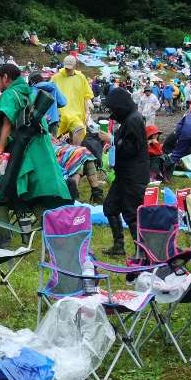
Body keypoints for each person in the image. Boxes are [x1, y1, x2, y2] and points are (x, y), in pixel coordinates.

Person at [0, 63, 70, 211]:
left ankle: (7, 225)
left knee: (3, 193)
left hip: (21, 149)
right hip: (39, 147)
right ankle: (47, 223)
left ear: (5, 77)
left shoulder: (9, 94)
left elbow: (6, 124)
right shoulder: (28, 92)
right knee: (39, 193)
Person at [98, 88, 148, 257]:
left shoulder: (134, 120)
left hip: (133, 176)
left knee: (132, 214)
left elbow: (131, 148)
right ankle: (118, 246)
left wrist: (112, 140)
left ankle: (142, 252)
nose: (113, 113)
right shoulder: (130, 118)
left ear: (120, 105)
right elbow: (126, 143)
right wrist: (113, 144)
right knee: (110, 207)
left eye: (113, 108)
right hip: (124, 175)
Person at [50, 55, 93, 144]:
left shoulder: (81, 77)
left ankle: (75, 151)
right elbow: (49, 94)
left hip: (76, 114)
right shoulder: (56, 77)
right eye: (66, 67)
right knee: (54, 139)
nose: (67, 70)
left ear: (75, 66)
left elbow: (86, 95)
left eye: (70, 68)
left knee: (80, 131)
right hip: (60, 115)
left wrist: (87, 110)